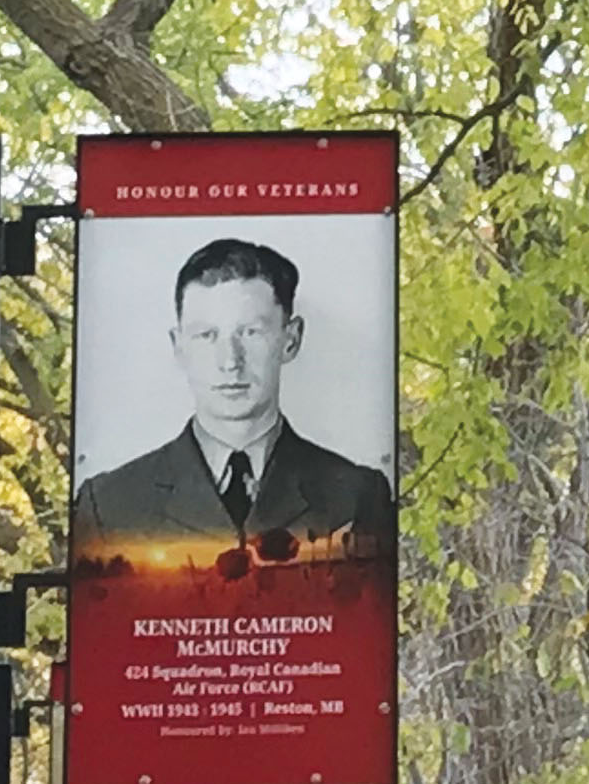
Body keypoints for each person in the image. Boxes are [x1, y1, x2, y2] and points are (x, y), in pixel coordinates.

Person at [70, 234, 393, 556]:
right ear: (179, 346)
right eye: (207, 335)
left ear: (290, 340)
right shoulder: (109, 506)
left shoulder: (356, 496)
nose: (229, 361)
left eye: (251, 333)